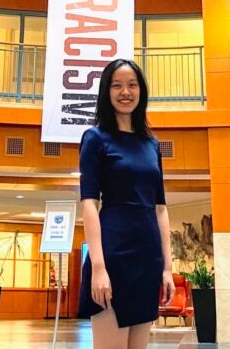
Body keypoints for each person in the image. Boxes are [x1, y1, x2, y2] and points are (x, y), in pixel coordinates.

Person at [78, 59, 175, 349]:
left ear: (141, 91)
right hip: (113, 256)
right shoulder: (95, 138)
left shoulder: (151, 143)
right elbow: (89, 204)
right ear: (106, 92)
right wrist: (98, 267)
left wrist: (167, 267)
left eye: (132, 85)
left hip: (147, 259)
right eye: (117, 85)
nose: (125, 91)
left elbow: (160, 207)